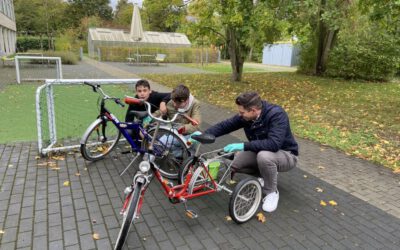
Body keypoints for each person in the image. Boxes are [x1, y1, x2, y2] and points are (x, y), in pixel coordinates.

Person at [204, 91, 298, 212]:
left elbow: (274, 144)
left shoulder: (276, 115)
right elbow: (225, 125)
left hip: (286, 154)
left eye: (242, 112)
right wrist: (204, 135)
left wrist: (243, 145)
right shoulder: (247, 117)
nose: (240, 115)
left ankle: (271, 192)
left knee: (265, 157)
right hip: (261, 151)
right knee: (234, 164)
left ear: (253, 110)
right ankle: (267, 174)